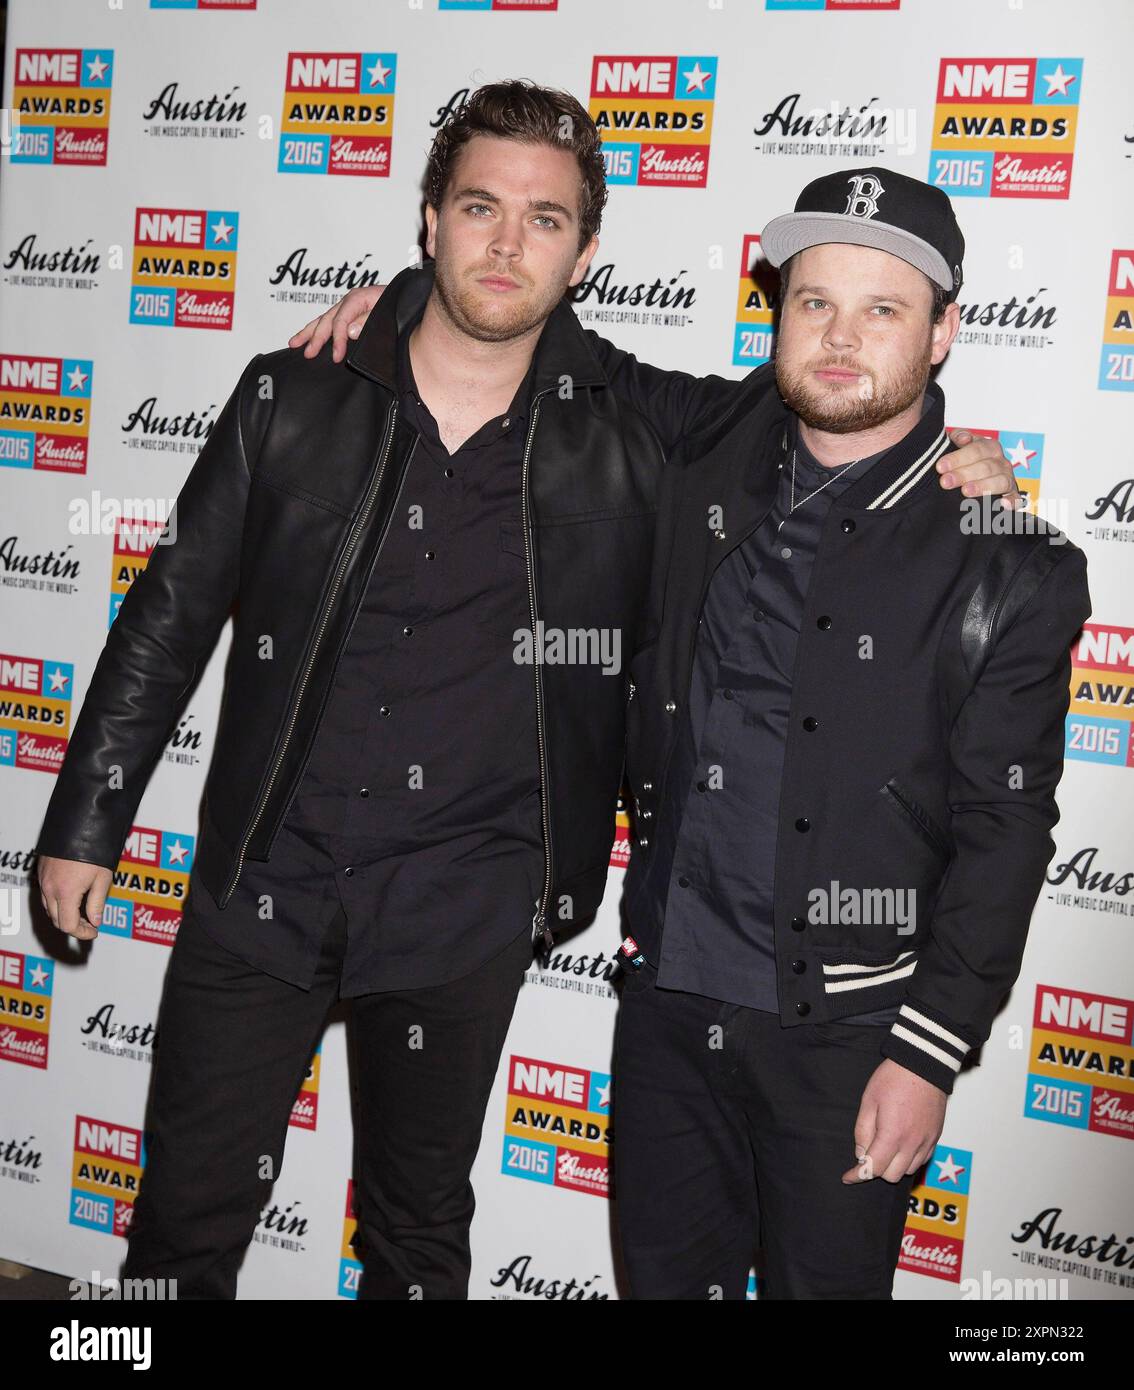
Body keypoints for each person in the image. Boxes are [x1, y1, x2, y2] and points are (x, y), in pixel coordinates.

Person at [36, 76, 1015, 1301]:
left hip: (464, 909)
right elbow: (166, 618)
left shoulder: (633, 428)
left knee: (417, 1234)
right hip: (264, 890)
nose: (507, 243)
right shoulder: (293, 398)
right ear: (429, 221)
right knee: (174, 1240)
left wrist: (965, 459)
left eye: (544, 221)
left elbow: (833, 397)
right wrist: (86, 821)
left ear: (586, 252)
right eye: (481, 207)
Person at [299, 166, 1086, 1300]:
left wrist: (928, 1050)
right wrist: (400, 296)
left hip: (852, 1035)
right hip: (668, 1009)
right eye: (814, 301)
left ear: (946, 330)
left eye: (883, 309)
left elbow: (1006, 832)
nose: (841, 337)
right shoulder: (709, 441)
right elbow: (555, 342)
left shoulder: (1006, 558)